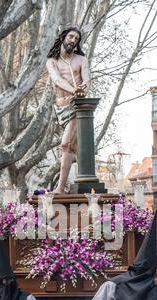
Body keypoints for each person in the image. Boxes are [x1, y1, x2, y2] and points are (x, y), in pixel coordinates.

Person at [46, 26, 90, 193]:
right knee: (76, 148)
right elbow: (56, 80)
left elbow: (86, 79)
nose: (73, 40)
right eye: (71, 36)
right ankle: (85, 182)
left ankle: (60, 187)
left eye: (76, 39)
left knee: (66, 144)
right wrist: (73, 89)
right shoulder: (52, 61)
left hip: (77, 106)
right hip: (60, 108)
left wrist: (81, 91)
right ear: (63, 37)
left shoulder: (81, 60)